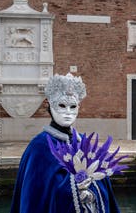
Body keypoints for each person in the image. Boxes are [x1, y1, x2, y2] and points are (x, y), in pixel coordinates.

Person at [10, 73, 120, 213]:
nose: (68, 112)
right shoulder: (39, 147)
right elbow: (35, 197)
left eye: (73, 107)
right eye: (62, 105)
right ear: (50, 106)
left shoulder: (84, 143)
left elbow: (104, 186)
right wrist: (76, 185)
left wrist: (90, 191)